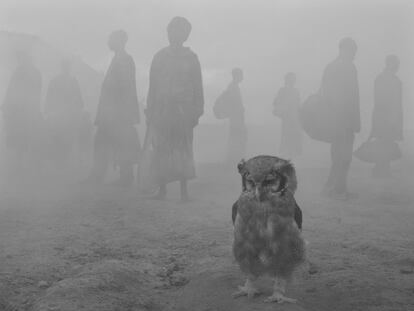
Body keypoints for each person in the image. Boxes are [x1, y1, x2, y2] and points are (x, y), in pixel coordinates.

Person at [146, 16, 204, 202]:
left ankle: (184, 191)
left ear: (185, 35)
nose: (175, 34)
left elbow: (198, 87)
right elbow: (152, 86)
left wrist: (197, 111)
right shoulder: (160, 57)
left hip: (183, 112)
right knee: (161, 148)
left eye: (180, 31)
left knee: (183, 149)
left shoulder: (192, 58)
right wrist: (150, 110)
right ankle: (161, 189)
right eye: (172, 30)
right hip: (162, 110)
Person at [87, 30, 140, 186]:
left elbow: (125, 87)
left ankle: (122, 177)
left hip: (117, 113)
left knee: (116, 143)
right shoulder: (118, 59)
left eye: (112, 39)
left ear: (120, 41)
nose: (109, 41)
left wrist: (119, 113)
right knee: (106, 143)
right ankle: (102, 175)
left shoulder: (125, 60)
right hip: (111, 113)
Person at [320, 38, 360, 200]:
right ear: (342, 49)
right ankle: (331, 188)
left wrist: (356, 121)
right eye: (352, 50)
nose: (354, 54)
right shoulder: (332, 68)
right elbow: (328, 94)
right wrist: (336, 116)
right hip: (337, 119)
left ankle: (340, 188)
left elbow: (355, 96)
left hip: (348, 119)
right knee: (339, 155)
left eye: (355, 51)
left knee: (346, 155)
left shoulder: (351, 68)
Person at [2, 50, 42, 166]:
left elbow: (12, 90)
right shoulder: (35, 72)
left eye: (19, 58)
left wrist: (7, 105)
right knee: (25, 137)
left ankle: (20, 163)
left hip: (21, 111)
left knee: (20, 137)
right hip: (29, 110)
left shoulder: (20, 72)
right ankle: (23, 162)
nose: (18, 61)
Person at [45, 59, 84, 167]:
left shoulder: (65, 81)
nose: (66, 68)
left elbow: (79, 101)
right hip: (60, 116)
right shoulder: (68, 81)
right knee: (61, 139)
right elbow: (80, 101)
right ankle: (60, 161)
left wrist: (48, 110)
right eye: (65, 66)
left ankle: (61, 161)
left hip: (66, 116)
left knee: (64, 139)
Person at [369, 55, 403, 177]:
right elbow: (379, 101)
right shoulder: (383, 79)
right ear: (389, 64)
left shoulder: (395, 80)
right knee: (383, 143)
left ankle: (382, 169)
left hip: (390, 118)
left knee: (387, 143)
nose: (397, 66)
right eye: (395, 63)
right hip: (384, 118)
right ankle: (380, 169)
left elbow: (397, 103)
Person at [214, 68, 247, 165]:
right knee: (236, 139)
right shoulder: (233, 87)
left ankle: (233, 160)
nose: (242, 77)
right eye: (241, 75)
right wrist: (239, 111)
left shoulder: (233, 86)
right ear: (236, 76)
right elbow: (234, 104)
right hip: (236, 118)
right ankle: (233, 160)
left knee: (236, 138)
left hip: (236, 118)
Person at [272, 72, 302, 158]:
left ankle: (289, 155)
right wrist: (283, 110)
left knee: (290, 137)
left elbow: (298, 105)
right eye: (292, 79)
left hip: (293, 118)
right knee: (287, 137)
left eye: (293, 80)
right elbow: (275, 102)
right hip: (289, 118)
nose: (293, 81)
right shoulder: (284, 91)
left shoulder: (294, 91)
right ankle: (287, 156)